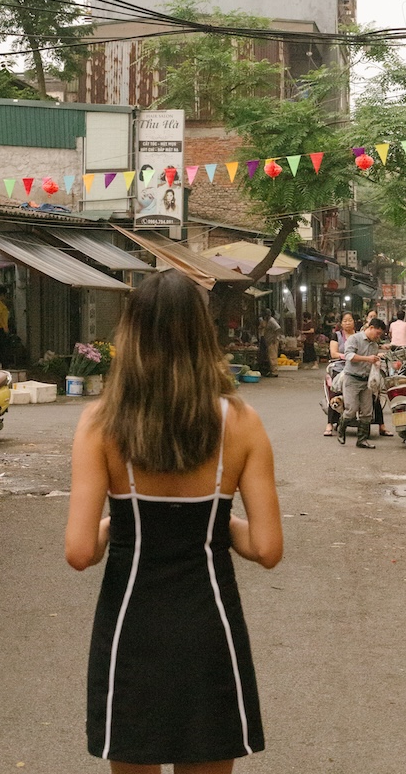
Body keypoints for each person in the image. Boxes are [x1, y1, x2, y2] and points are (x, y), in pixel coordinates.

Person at [65, 271, 283, 772]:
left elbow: (80, 552)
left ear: (131, 334)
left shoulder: (99, 423)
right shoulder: (242, 421)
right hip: (210, 626)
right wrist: (210, 522)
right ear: (202, 334)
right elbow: (267, 548)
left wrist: (119, 523)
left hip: (131, 627)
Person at [338, 318, 388, 448]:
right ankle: (341, 429)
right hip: (352, 379)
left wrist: (376, 363)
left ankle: (362, 439)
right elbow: (349, 356)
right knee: (351, 409)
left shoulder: (374, 345)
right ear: (370, 328)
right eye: (377, 333)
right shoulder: (355, 339)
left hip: (366, 381)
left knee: (367, 412)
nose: (378, 336)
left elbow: (372, 361)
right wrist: (368, 359)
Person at [323, 312, 356, 435]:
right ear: (341, 323)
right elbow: (333, 353)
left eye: (350, 320)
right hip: (340, 368)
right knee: (335, 391)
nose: (347, 323)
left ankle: (381, 425)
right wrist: (346, 356)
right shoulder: (336, 336)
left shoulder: (359, 336)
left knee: (371, 391)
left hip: (356, 368)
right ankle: (329, 424)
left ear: (354, 322)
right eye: (345, 321)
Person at [259, 308, 281, 377]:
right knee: (269, 356)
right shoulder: (266, 321)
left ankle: (275, 371)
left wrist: (274, 338)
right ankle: (271, 370)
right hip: (268, 340)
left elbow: (278, 329)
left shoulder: (271, 321)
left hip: (272, 341)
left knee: (272, 356)